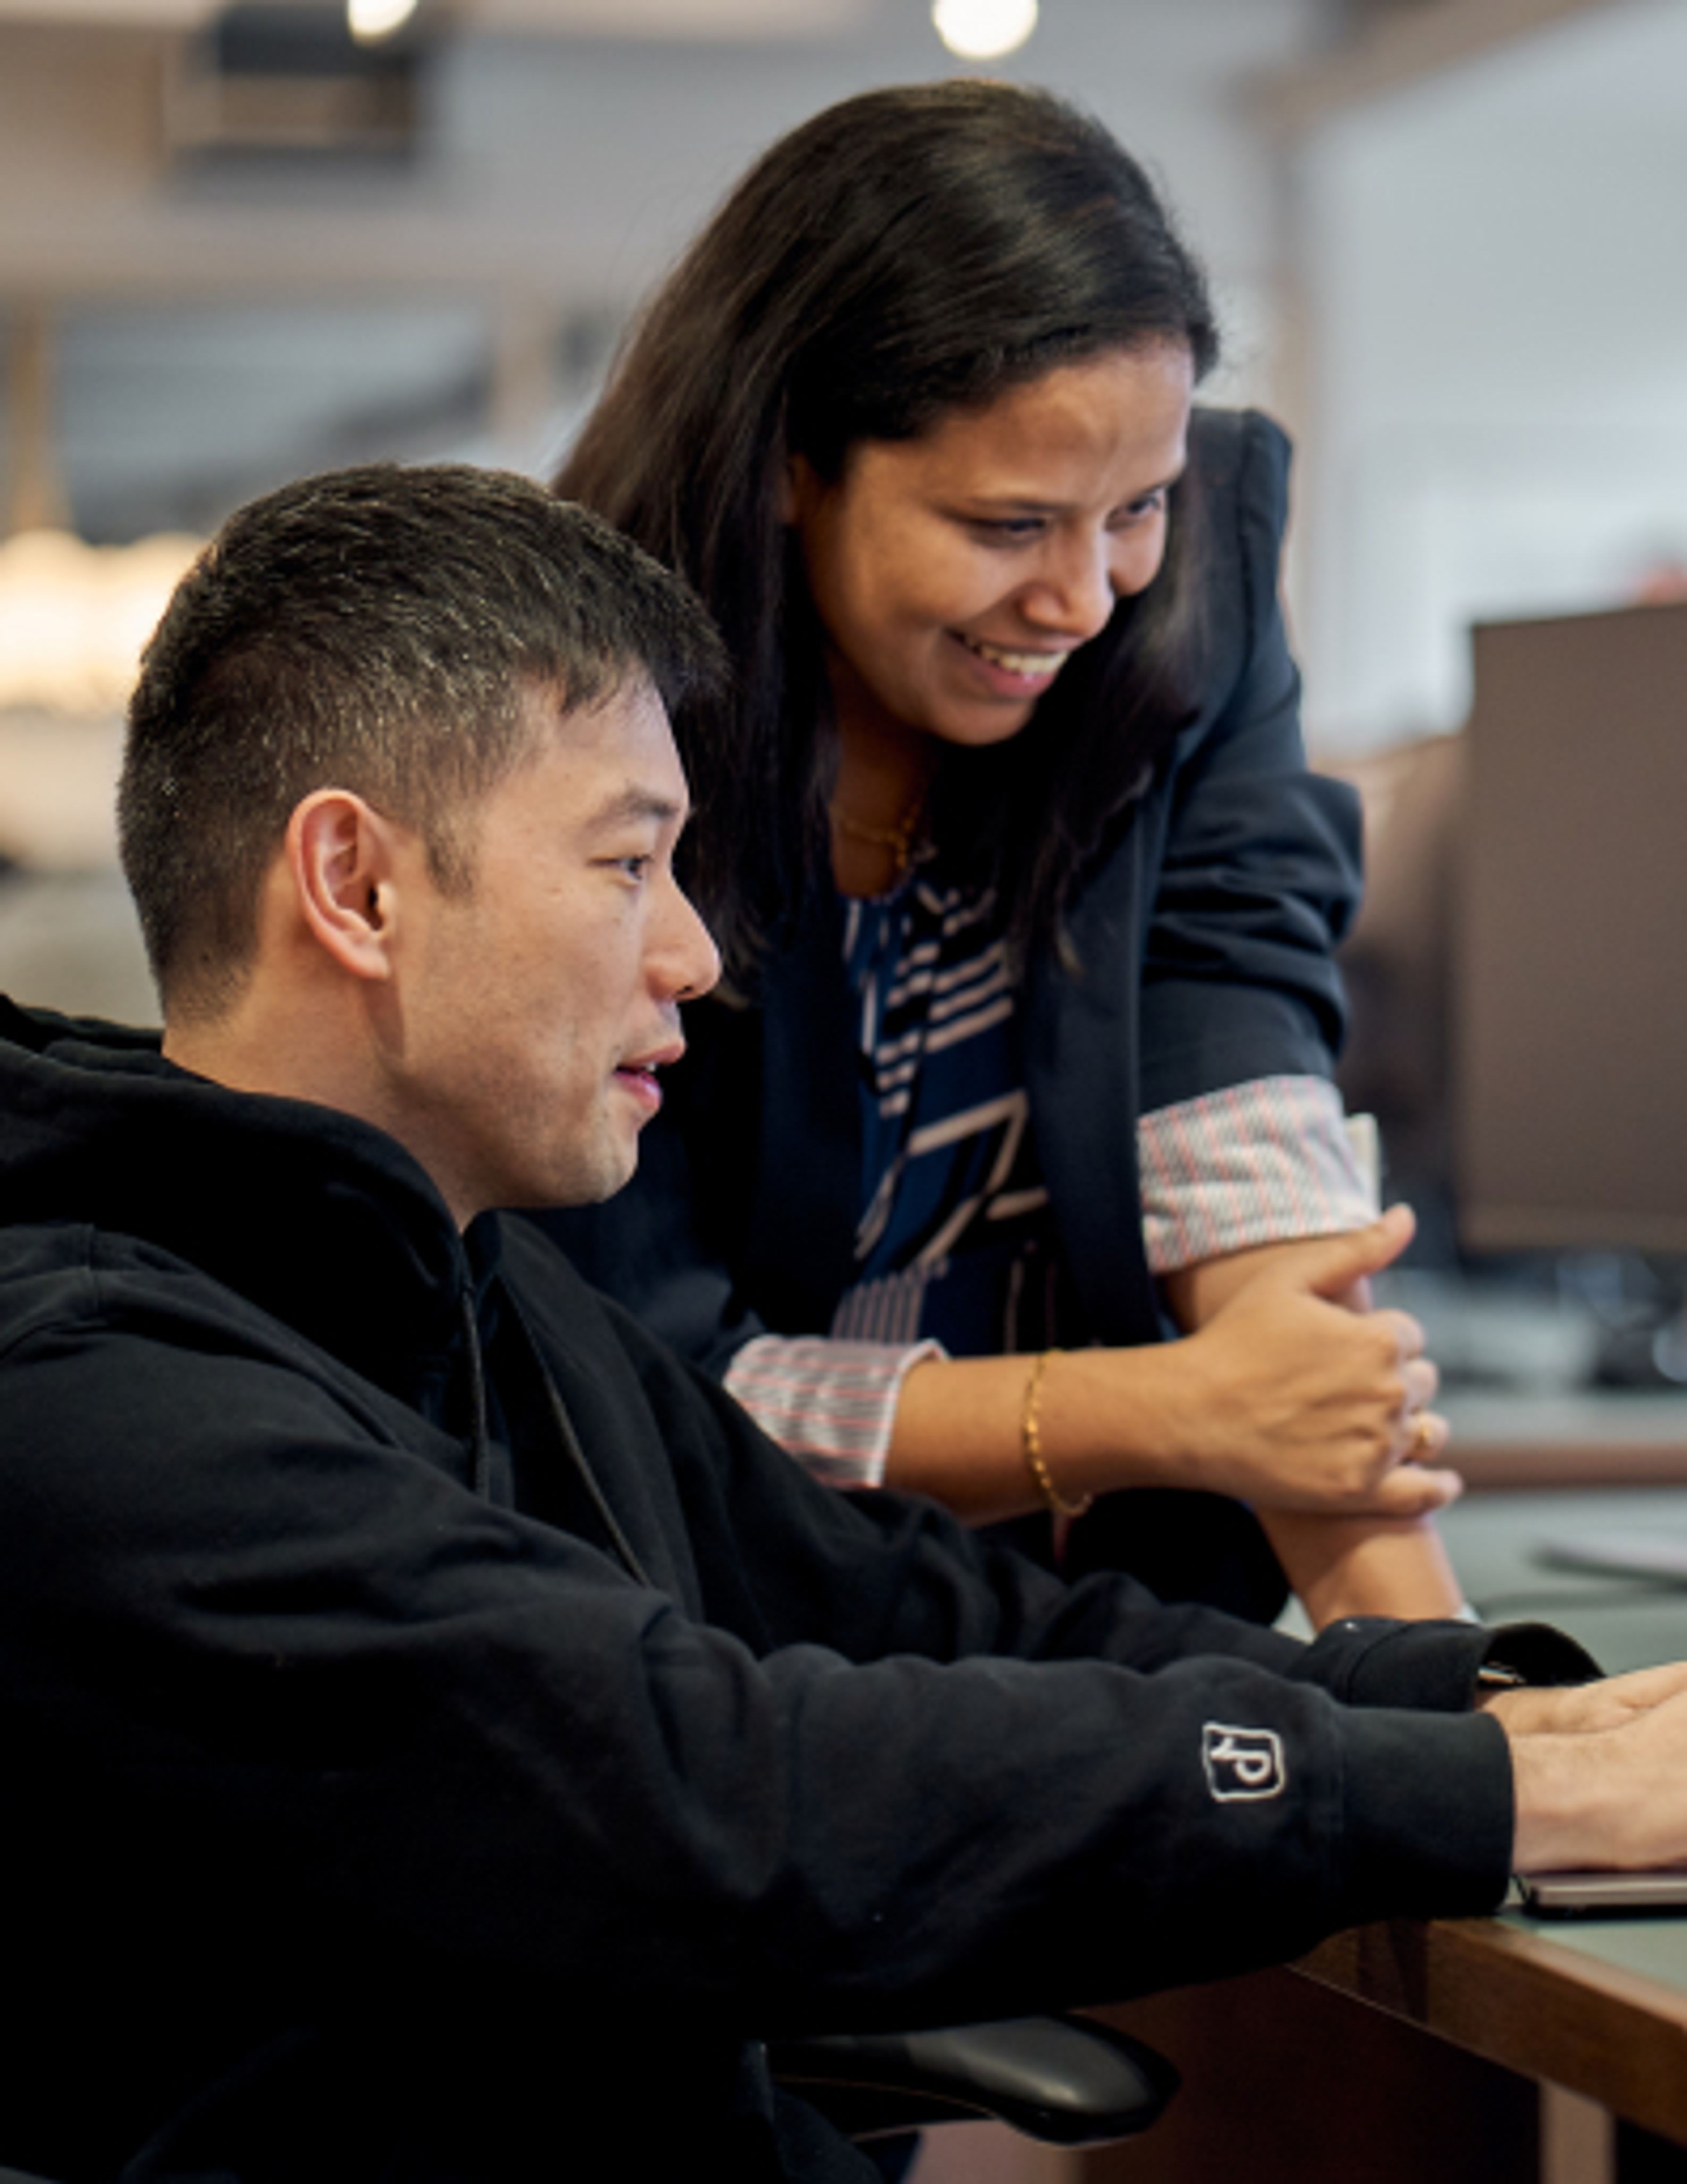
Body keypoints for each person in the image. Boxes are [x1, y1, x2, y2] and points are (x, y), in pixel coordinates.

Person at [4, 461, 1685, 2184]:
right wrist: (1500, 1803)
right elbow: (726, 1787)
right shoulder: (96, 1409)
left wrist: (1469, 1705)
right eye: (628, 862)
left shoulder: (483, 1300)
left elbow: (906, 1617)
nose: (691, 954)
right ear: (356, 885)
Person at [542, 80, 1462, 1629]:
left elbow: (1234, 1113)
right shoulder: (588, 722)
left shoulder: (1188, 609)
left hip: (1126, 1611)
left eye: (1137, 508)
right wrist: (1167, 1410)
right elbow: (649, 1388)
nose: (1087, 597)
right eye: (1006, 523)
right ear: (791, 462)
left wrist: (1452, 1696)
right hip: (751, 1628)